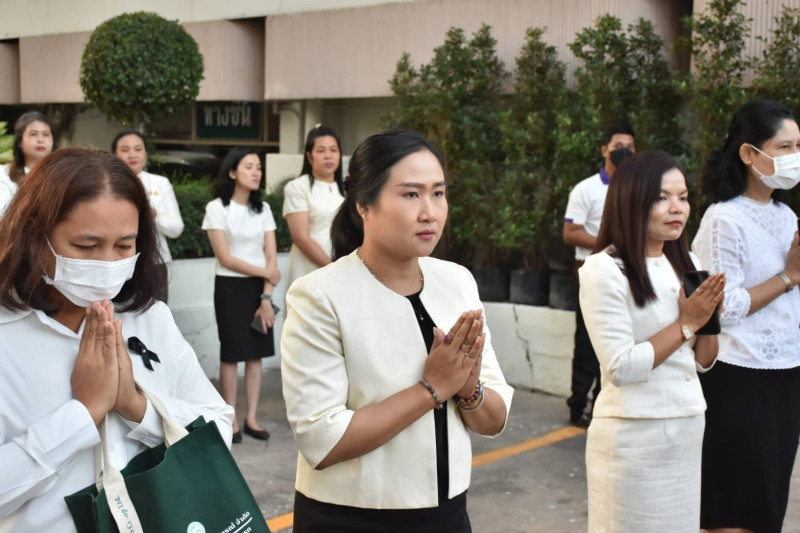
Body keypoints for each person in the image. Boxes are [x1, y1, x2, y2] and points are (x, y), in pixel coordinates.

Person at [281, 129, 514, 533]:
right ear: (364, 205)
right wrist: (432, 389)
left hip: (447, 513)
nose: (430, 212)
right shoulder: (319, 295)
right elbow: (321, 438)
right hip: (350, 517)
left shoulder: (457, 282)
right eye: (410, 194)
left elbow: (493, 421)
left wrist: (469, 389)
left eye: (438, 193)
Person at [0, 148, 233, 532]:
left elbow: (220, 430)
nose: (108, 264)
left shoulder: (150, 319)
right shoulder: (8, 336)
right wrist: (82, 415)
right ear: (35, 237)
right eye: (86, 246)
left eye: (124, 246)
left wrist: (137, 407)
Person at [579, 151, 725, 532]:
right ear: (631, 200)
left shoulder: (687, 262)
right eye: (662, 198)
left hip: (687, 425)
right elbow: (621, 367)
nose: (677, 208)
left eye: (683, 197)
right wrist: (687, 323)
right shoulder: (603, 269)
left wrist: (710, 319)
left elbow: (704, 361)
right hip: (633, 437)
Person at [691, 99, 800, 533]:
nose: (794, 157)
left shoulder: (786, 215)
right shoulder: (724, 219)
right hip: (738, 376)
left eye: (798, 146)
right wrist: (789, 277)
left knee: (767, 504)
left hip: (786, 372)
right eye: (784, 147)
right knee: (732, 509)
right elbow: (725, 305)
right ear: (749, 154)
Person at [202, 148, 281, 444]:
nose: (256, 172)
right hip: (230, 286)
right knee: (232, 353)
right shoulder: (216, 209)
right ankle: (231, 418)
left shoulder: (264, 210)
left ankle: (252, 419)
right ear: (233, 172)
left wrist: (266, 298)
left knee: (256, 354)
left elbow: (271, 256)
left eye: (258, 167)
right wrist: (266, 273)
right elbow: (225, 257)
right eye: (249, 166)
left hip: (259, 289)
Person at [563, 123, 636, 428]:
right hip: (592, 270)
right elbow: (571, 232)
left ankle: (601, 406)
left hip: (628, 271)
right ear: (605, 150)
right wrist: (609, 244)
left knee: (619, 341)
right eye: (618, 146)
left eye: (630, 147)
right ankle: (578, 404)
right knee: (587, 343)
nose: (624, 151)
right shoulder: (586, 189)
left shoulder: (637, 188)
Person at [112, 131, 184, 302]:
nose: (132, 155)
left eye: (138, 149)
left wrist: (154, 215)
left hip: (154, 263)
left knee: (154, 313)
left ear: (145, 153)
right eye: (125, 150)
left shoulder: (160, 183)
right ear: (114, 154)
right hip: (115, 262)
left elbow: (176, 229)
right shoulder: (106, 183)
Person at [282, 125, 345, 291]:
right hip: (309, 271)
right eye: (321, 150)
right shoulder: (297, 187)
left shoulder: (347, 191)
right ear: (309, 156)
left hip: (343, 272)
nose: (328, 155)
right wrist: (332, 267)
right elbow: (301, 237)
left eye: (333, 150)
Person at [0, 111, 56, 215]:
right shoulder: (4, 174)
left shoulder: (61, 174)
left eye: (46, 134)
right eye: (33, 134)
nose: (41, 140)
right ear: (19, 141)